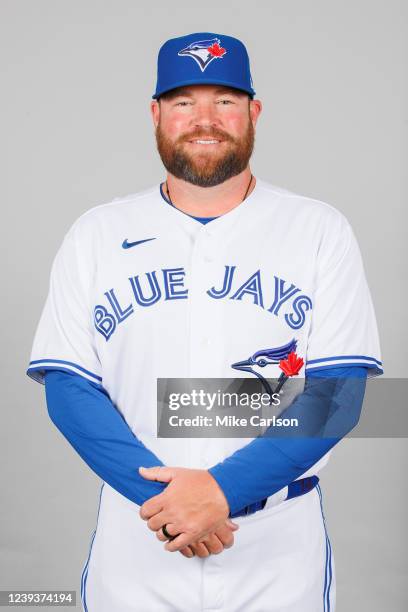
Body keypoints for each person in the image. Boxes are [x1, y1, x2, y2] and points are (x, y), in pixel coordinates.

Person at [27, 32, 383, 612]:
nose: (205, 119)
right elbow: (69, 392)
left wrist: (221, 491)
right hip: (139, 536)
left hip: (277, 542)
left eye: (225, 99)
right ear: (156, 114)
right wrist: (172, 508)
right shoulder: (96, 233)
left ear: (253, 112)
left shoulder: (318, 229)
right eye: (183, 101)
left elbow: (339, 395)